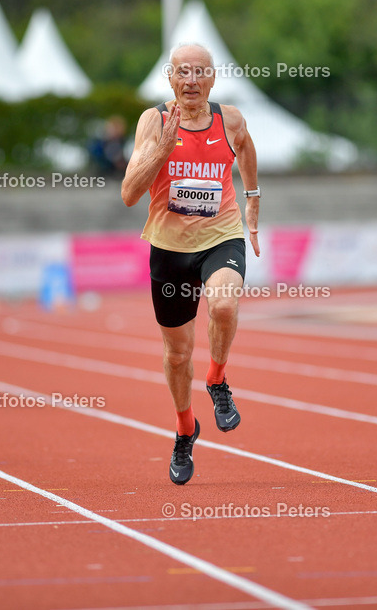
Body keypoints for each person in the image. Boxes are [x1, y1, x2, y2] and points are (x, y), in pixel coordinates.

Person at [122, 42, 261, 485]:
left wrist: (253, 199)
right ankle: (185, 429)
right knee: (178, 353)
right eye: (183, 72)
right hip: (168, 248)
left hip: (221, 235)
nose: (191, 81)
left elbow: (247, 151)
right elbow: (128, 195)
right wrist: (160, 153)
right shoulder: (154, 121)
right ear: (170, 78)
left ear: (213, 78)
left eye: (200, 72)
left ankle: (218, 380)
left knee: (222, 306)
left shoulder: (230, 119)